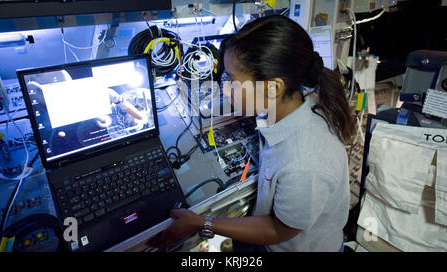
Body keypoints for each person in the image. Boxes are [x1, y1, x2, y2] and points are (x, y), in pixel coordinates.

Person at [148, 15, 355, 252]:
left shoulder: (304, 162)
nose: (223, 89)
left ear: (273, 88)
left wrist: (202, 223)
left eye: (232, 80)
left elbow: (277, 230)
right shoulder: (297, 99)